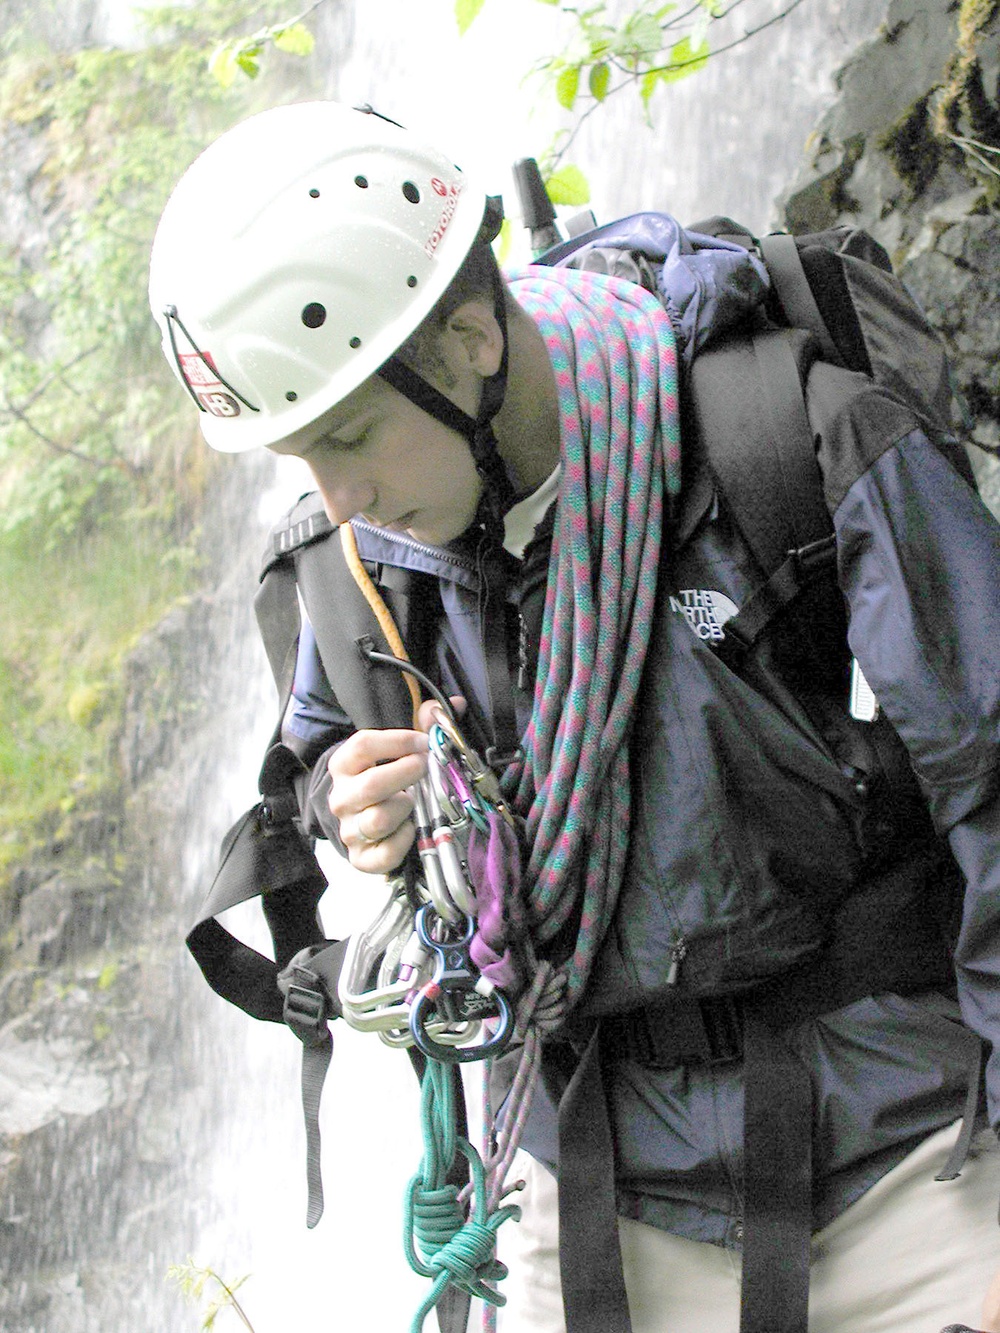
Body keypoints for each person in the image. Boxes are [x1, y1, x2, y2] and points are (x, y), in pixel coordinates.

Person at [149, 101, 1000, 1333]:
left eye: (348, 435)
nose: (339, 496)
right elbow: (323, 753)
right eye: (297, 457)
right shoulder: (355, 566)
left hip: (908, 1173)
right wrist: (350, 805)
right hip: (586, 1191)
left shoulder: (785, 441)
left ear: (472, 337)